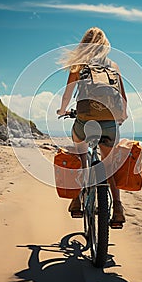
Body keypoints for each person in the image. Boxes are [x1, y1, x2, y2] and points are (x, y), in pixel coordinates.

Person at [57, 27, 128, 223]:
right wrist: (122, 116)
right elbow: (123, 98)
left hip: (85, 121)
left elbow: (67, 95)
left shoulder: (79, 65)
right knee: (109, 166)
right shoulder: (113, 65)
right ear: (105, 45)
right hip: (110, 123)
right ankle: (119, 208)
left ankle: (77, 200)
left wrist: (62, 111)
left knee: (81, 157)